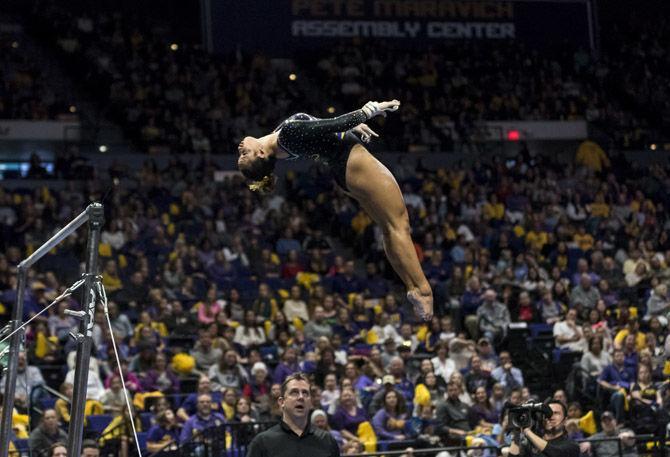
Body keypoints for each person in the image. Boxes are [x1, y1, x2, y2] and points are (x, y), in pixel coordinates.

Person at [237, 100, 433, 321]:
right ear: (261, 155)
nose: (240, 151)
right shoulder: (286, 135)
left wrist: (349, 128)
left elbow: (322, 129)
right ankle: (423, 290)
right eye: (244, 156)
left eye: (241, 156)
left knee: (388, 228)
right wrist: (371, 110)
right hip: (352, 161)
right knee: (399, 224)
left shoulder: (277, 140)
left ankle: (412, 287)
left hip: (345, 169)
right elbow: (333, 124)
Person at [246, 372, 340, 457]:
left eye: (305, 393)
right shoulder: (262, 442)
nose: (301, 397)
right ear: (282, 402)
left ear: (310, 402)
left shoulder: (327, 441)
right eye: (294, 392)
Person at [508, 400, 579, 457]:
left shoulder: (572, 446)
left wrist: (527, 431)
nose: (550, 416)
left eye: (556, 413)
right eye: (547, 412)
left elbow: (555, 453)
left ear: (565, 420)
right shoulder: (530, 444)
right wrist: (516, 433)